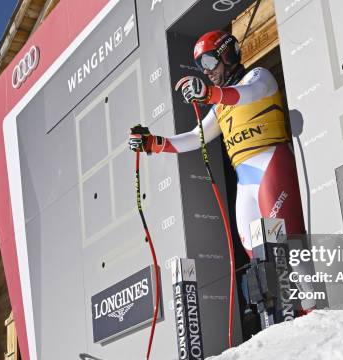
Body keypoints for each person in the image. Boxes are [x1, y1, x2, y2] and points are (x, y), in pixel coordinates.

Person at [128, 30, 305, 257]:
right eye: (202, 66)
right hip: (245, 183)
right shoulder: (220, 104)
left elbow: (251, 93)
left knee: (291, 252)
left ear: (228, 55)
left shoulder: (259, 76)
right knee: (262, 266)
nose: (207, 71)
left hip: (272, 166)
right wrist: (152, 143)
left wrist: (211, 94)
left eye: (210, 61)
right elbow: (194, 137)